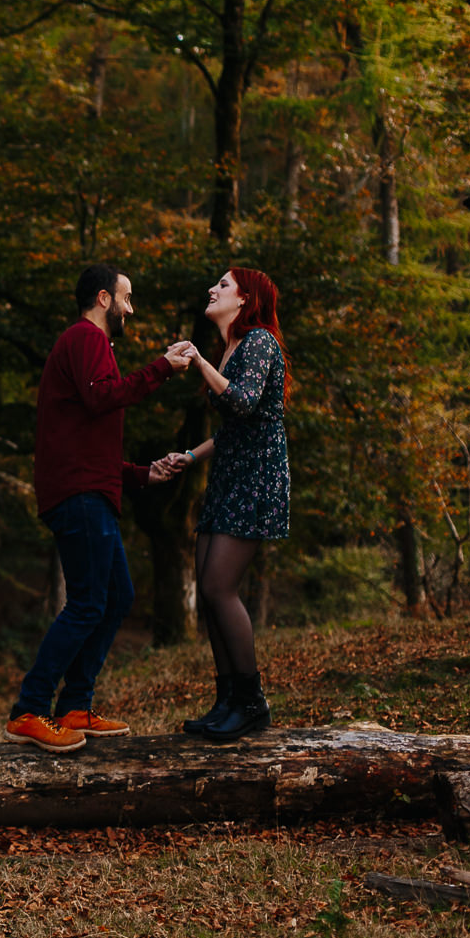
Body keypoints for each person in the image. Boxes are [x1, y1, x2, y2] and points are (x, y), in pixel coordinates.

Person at [6, 264, 195, 752]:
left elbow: (88, 435)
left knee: (117, 597)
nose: (131, 308)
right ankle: (30, 708)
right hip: (78, 496)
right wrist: (160, 369)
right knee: (91, 601)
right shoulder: (85, 338)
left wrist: (141, 474)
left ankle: (75, 705)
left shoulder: (93, 347)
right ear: (104, 298)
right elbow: (100, 400)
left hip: (90, 489)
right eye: (127, 298)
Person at [162, 267, 292, 742]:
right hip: (228, 477)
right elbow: (234, 427)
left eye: (222, 285)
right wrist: (190, 455)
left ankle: (253, 703)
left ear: (245, 299)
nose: (211, 290)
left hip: (257, 480)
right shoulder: (232, 350)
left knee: (219, 587)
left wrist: (198, 362)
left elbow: (241, 403)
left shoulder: (259, 342)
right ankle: (227, 700)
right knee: (207, 585)